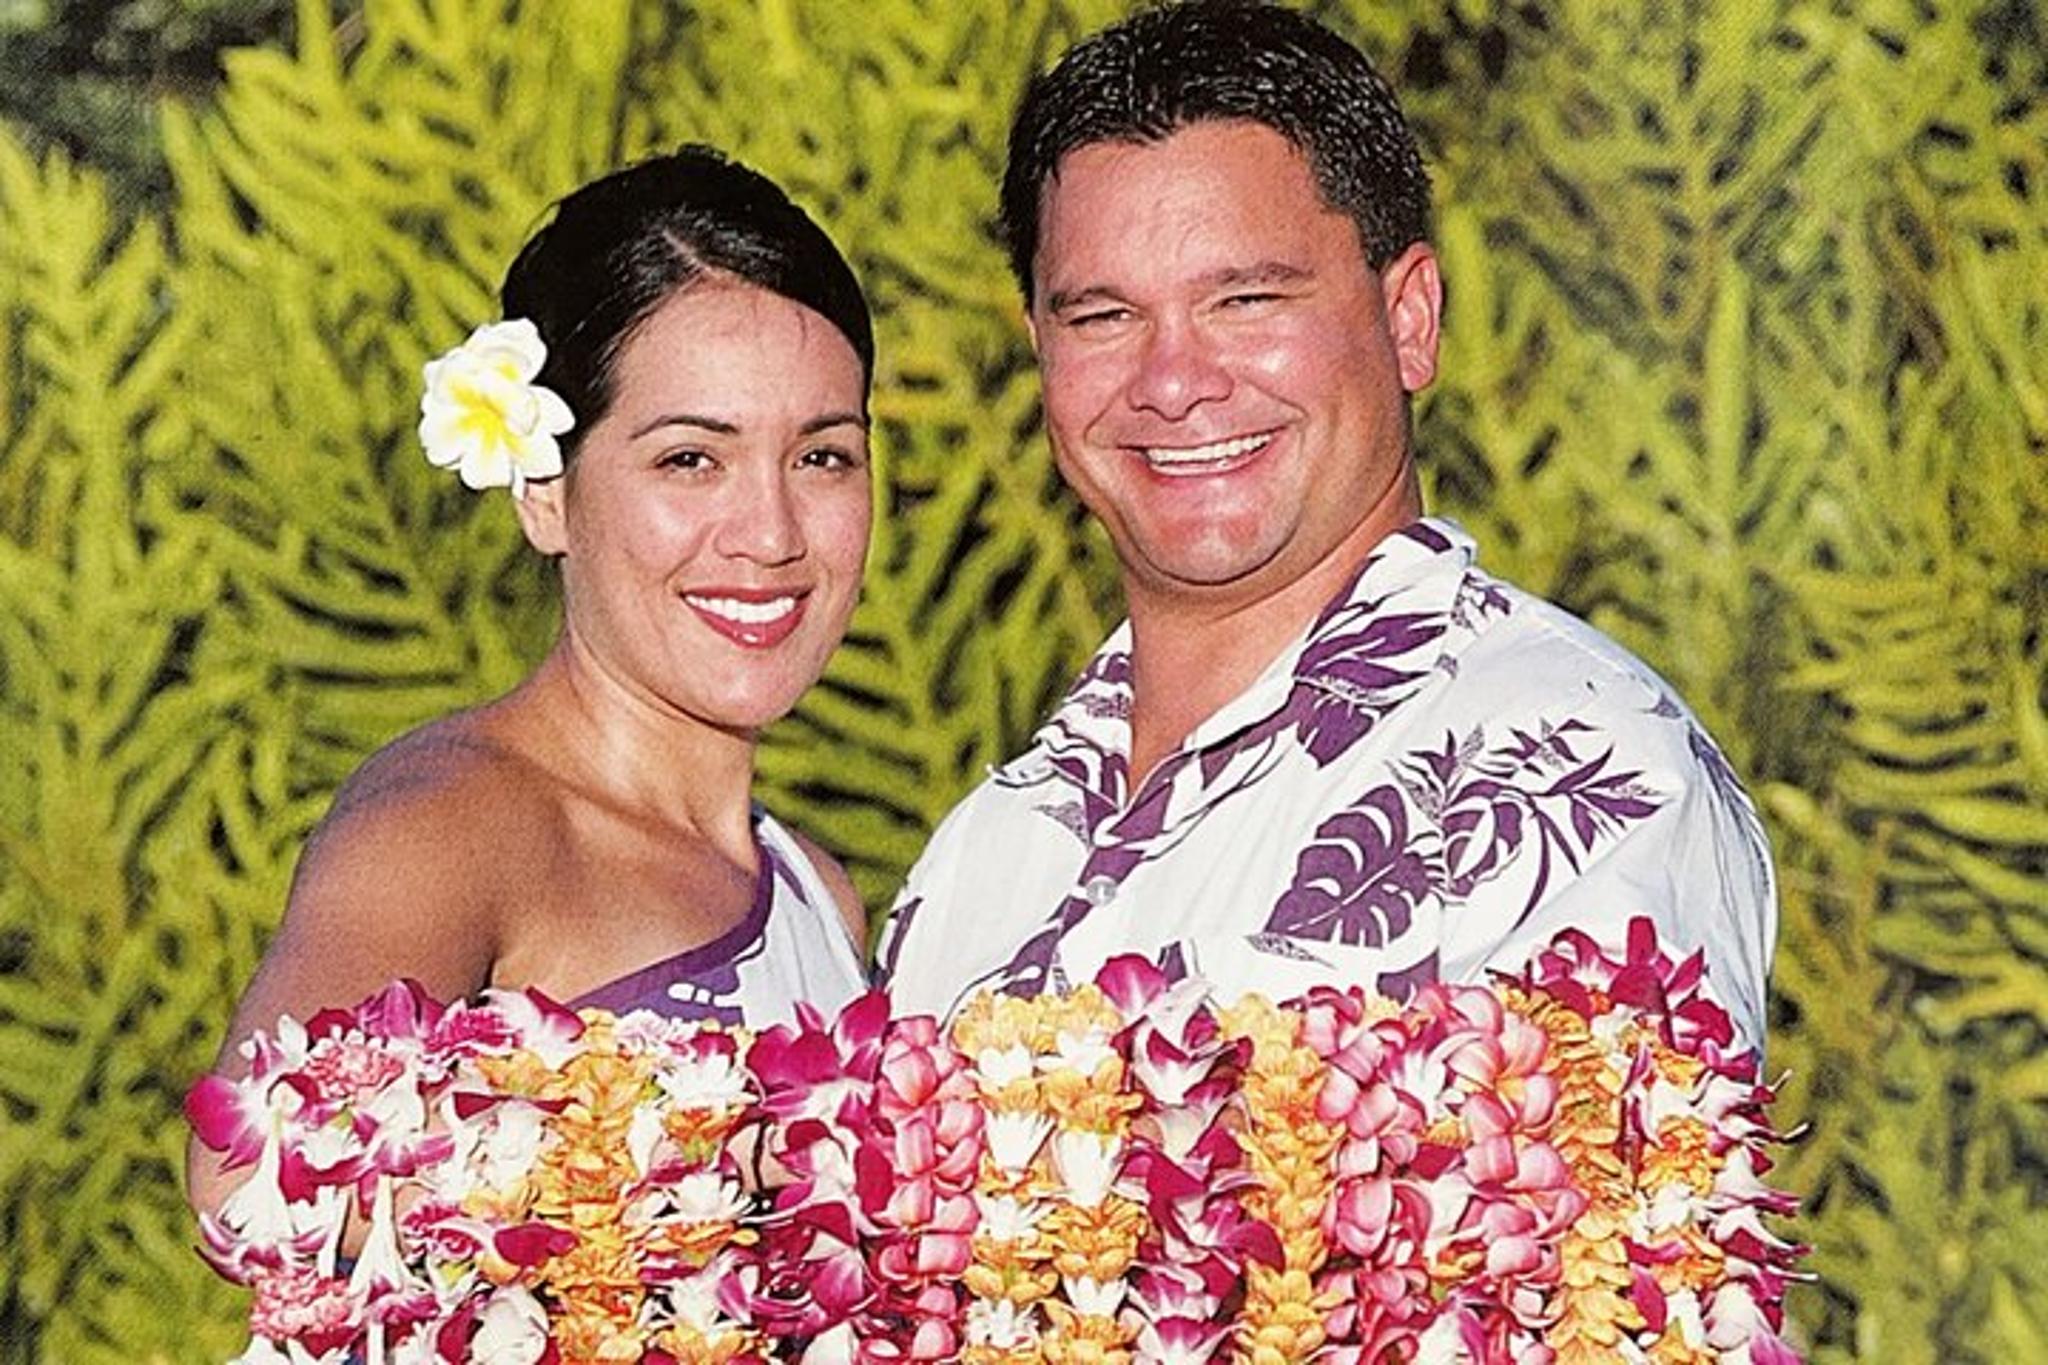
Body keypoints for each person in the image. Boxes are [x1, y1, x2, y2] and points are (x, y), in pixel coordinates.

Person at [879, 0, 1778, 1049]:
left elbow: (1608, 1200)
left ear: (1408, 320)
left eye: (1248, 302)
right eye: (1103, 317)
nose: (1170, 383)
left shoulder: (1568, 770)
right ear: (1038, 345)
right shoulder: (987, 852)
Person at [190, 145, 875, 1209]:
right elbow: (251, 1176)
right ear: (544, 494)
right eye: (689, 459)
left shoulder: (815, 895)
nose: (771, 534)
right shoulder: (461, 824)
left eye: (820, 456)